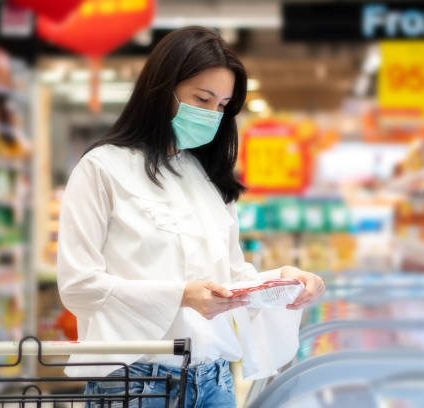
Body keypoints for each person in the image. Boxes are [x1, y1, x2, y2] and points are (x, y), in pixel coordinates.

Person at [56, 26, 325, 408]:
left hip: (213, 381)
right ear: (161, 90)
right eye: (202, 98)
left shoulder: (208, 178)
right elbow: (78, 285)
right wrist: (180, 296)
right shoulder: (102, 169)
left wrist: (280, 283)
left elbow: (229, 281)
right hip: (135, 384)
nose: (212, 115)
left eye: (222, 106)